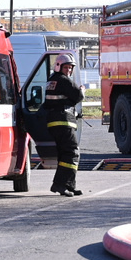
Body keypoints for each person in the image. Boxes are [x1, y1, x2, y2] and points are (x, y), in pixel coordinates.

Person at [45, 52, 84, 196]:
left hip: (54, 122)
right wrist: (82, 90)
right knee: (72, 152)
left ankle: (69, 185)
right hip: (64, 122)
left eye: (70, 68)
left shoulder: (51, 81)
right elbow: (78, 96)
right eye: (66, 67)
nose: (68, 70)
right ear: (58, 66)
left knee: (64, 154)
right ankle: (60, 185)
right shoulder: (63, 80)